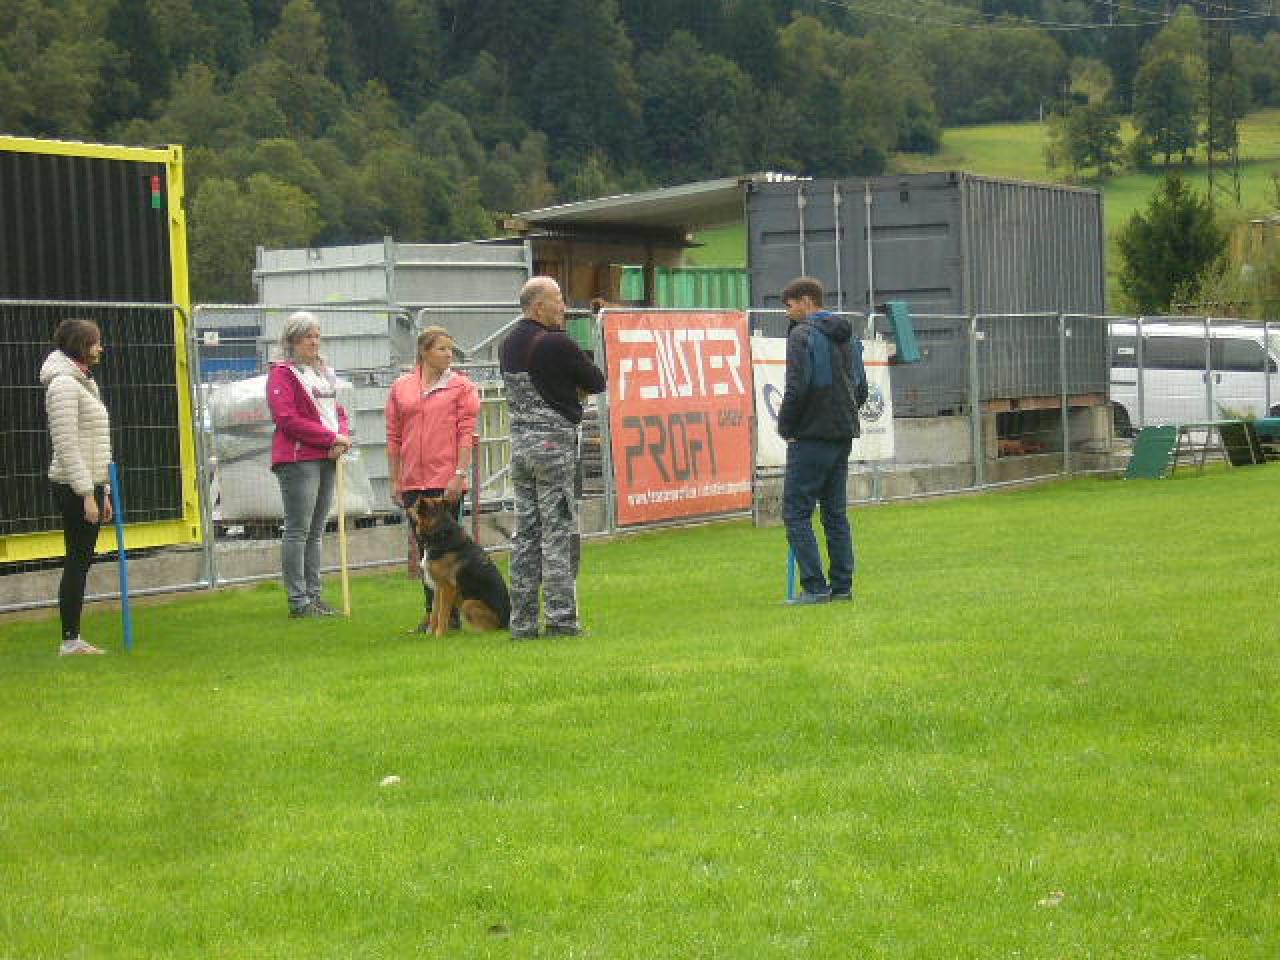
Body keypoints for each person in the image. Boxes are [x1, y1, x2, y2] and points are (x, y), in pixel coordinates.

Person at [499, 277, 606, 639]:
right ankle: (561, 620)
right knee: (557, 533)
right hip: (554, 450)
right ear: (538, 306)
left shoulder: (508, 343)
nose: (564, 307)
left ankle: (522, 622)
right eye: (558, 299)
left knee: (525, 535)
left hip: (521, 449)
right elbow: (596, 380)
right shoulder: (556, 342)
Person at [776, 277, 868, 605]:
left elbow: (797, 387)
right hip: (842, 433)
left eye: (789, 306)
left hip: (811, 435)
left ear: (806, 301)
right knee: (835, 513)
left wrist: (786, 426)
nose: (787, 313)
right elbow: (861, 388)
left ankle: (815, 587)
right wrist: (842, 414)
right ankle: (842, 587)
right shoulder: (848, 336)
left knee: (796, 513)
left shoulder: (802, 335)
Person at [385, 326, 480, 612]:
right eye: (442, 349)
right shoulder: (401, 387)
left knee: (448, 552)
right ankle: (432, 614)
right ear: (424, 352)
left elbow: (466, 435)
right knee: (424, 551)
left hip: (445, 481)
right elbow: (394, 436)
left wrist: (459, 475)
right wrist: (395, 480)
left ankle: (451, 615)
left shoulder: (462, 386)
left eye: (451, 349)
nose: (449, 355)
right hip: (413, 482)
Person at [266, 311, 352, 618]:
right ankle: (298, 600)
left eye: (317, 336)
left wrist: (341, 437)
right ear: (292, 341)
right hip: (298, 459)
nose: (314, 342)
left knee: (316, 531)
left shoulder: (322, 373)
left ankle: (314, 596)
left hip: (327, 456)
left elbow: (337, 410)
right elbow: (287, 418)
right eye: (307, 337)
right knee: (298, 529)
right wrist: (330, 438)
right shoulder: (282, 374)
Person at [42, 318, 114, 655]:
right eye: (96, 342)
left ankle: (72, 638)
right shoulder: (64, 385)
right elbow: (67, 445)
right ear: (81, 346)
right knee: (77, 560)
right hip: (74, 485)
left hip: (90, 484)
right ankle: (70, 640)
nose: (101, 348)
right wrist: (87, 494)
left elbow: (96, 441)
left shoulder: (82, 381)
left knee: (81, 560)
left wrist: (104, 491)